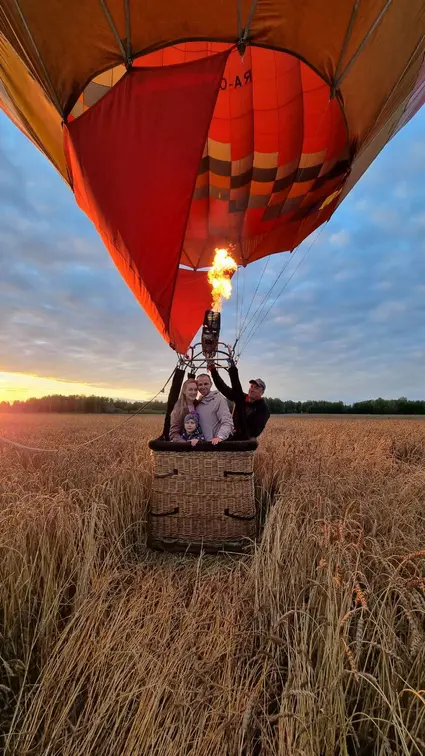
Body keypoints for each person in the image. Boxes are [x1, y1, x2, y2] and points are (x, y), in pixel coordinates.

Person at [208, 353, 270, 439]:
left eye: (256, 388)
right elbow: (223, 388)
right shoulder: (241, 397)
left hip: (246, 441)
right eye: (251, 386)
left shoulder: (263, 409)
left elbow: (254, 431)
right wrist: (213, 371)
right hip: (231, 435)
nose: (251, 389)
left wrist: (237, 429)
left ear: (262, 392)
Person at [196, 373, 234, 445]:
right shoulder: (197, 403)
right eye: (200, 384)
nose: (203, 387)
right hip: (200, 445)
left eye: (206, 384)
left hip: (214, 445)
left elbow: (227, 422)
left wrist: (220, 437)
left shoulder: (218, 399)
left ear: (211, 384)